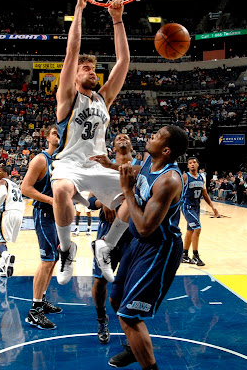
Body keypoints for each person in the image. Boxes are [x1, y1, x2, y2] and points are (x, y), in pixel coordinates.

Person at [92, 125, 189, 369]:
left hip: (159, 249)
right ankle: (135, 349)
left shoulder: (169, 180)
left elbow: (146, 227)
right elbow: (138, 172)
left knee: (129, 315)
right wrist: (111, 166)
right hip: (139, 245)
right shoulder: (149, 161)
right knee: (116, 300)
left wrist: (127, 191)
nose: (151, 135)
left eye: (157, 136)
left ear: (166, 150)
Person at [51, 0, 130, 285]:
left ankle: (106, 246)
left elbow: (122, 62)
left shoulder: (103, 99)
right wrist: (79, 9)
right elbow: (72, 52)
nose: (91, 71)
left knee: (134, 201)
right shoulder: (68, 97)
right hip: (70, 164)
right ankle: (67, 249)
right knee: (60, 191)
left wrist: (117, 20)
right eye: (85, 68)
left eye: (94, 68)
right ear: (73, 76)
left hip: (98, 165)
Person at [89, 134, 142, 344]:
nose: (122, 138)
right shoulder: (102, 168)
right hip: (107, 230)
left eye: (126, 137)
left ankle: (129, 324)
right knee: (99, 281)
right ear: (113, 145)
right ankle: (102, 318)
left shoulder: (141, 166)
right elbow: (90, 201)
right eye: (118, 137)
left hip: (133, 231)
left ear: (131, 145)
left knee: (129, 282)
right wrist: (105, 202)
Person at [21, 125, 62, 330]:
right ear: (47, 137)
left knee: (53, 259)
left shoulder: (62, 161)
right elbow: (25, 188)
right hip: (43, 213)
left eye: (60, 133)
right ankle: (34, 310)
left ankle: (42, 298)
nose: (58, 136)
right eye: (54, 133)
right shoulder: (40, 159)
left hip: (56, 216)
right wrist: (50, 200)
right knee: (47, 260)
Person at [181, 157, 220, 266]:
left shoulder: (201, 178)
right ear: (188, 166)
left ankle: (184, 255)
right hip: (187, 206)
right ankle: (195, 255)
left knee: (190, 230)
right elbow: (177, 190)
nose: (192, 164)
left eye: (194, 162)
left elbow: (205, 194)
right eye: (190, 163)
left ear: (198, 165)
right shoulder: (185, 177)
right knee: (197, 228)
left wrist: (213, 207)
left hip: (196, 207)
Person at [0, 166, 25, 277]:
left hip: (8, 213)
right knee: (3, 242)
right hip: (19, 214)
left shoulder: (2, 182)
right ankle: (2, 267)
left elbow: (4, 194)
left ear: (6, 173)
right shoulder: (14, 184)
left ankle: (7, 256)